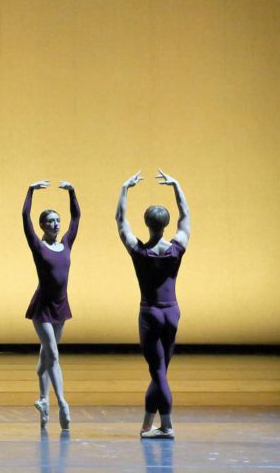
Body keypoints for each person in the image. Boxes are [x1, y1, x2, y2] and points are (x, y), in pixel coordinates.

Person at [116, 169, 191, 439]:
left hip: (150, 314)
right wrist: (176, 185)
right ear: (165, 225)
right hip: (172, 312)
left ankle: (167, 426)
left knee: (158, 371)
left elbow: (120, 220)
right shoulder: (176, 248)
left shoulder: (139, 251)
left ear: (147, 225)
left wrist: (124, 188)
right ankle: (148, 423)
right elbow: (186, 217)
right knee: (160, 370)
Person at [23, 180, 80, 430]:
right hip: (43, 308)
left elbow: (76, 216)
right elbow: (25, 215)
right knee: (53, 354)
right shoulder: (38, 246)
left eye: (58, 221)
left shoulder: (66, 243)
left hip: (60, 306)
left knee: (45, 358)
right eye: (51, 221)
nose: (56, 224)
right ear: (42, 226)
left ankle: (43, 400)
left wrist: (72, 192)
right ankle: (62, 404)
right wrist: (30, 191)